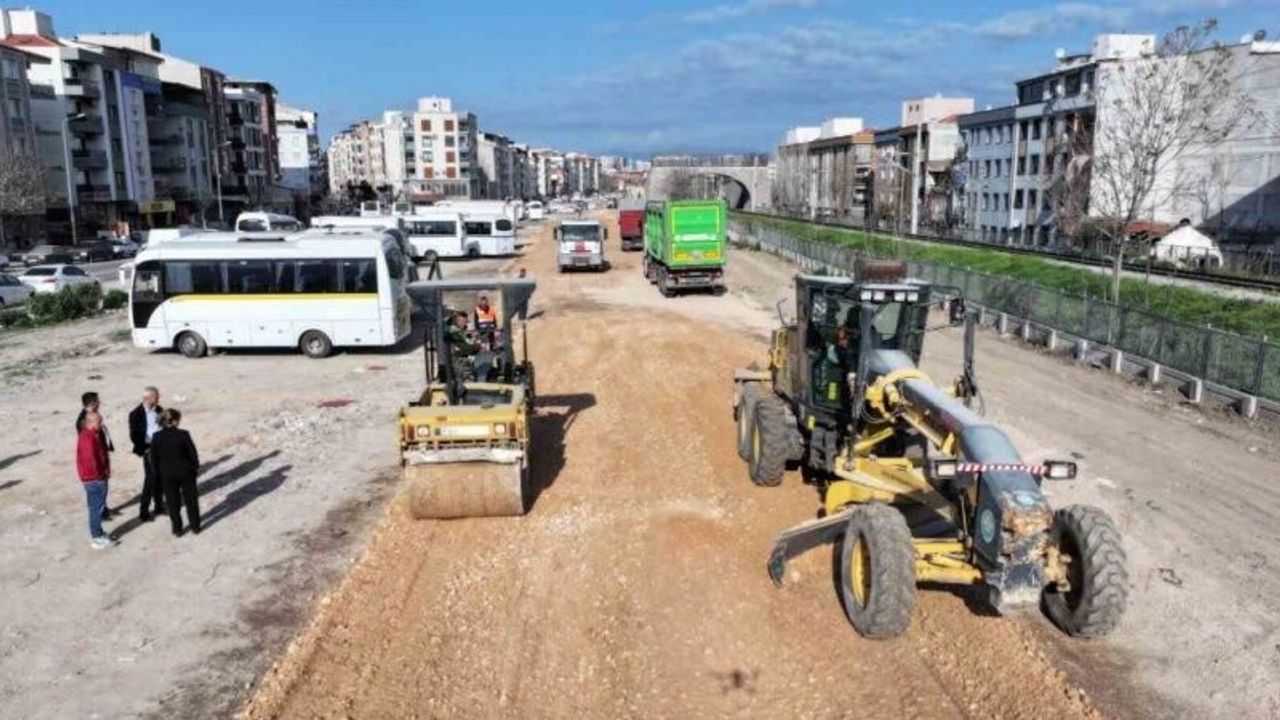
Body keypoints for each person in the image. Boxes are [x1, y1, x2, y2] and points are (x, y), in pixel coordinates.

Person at [150, 409, 201, 537]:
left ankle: (177, 529)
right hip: (186, 472)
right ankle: (195, 526)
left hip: (167, 475)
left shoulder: (156, 437)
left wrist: (158, 474)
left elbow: (154, 458)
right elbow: (193, 454)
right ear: (174, 421)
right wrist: (195, 468)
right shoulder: (184, 434)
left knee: (173, 502)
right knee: (191, 500)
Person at [76, 412, 116, 550]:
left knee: (96, 507)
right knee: (96, 509)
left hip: (95, 478)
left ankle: (98, 533)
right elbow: (90, 461)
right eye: (99, 422)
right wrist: (101, 475)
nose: (101, 424)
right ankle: (97, 538)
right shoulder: (88, 438)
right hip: (94, 479)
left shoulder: (92, 434)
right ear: (90, 422)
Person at [75, 391, 117, 521]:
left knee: (102, 488)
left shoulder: (91, 415)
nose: (99, 403)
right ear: (91, 403)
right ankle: (99, 512)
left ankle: (102, 508)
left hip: (100, 456)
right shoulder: (84, 420)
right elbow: (89, 445)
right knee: (97, 489)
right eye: (97, 401)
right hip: (95, 463)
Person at [128, 386, 166, 521]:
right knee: (150, 480)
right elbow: (134, 436)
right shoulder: (135, 414)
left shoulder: (159, 409)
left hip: (161, 447)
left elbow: (165, 425)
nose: (158, 398)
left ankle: (159, 506)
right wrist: (145, 449)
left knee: (160, 479)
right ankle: (143, 512)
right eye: (156, 396)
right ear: (147, 398)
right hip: (148, 449)